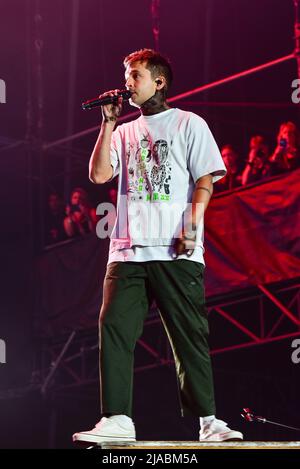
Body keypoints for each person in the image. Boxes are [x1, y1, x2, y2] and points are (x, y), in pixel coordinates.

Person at [73, 48, 243, 444]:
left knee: (189, 335)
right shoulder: (124, 131)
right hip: (128, 250)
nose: (127, 82)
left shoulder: (189, 123)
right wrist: (108, 125)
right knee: (113, 326)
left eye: (134, 75)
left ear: (159, 81)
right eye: (126, 75)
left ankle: (208, 421)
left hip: (175, 249)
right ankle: (117, 419)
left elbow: (206, 179)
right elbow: (99, 175)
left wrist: (191, 223)